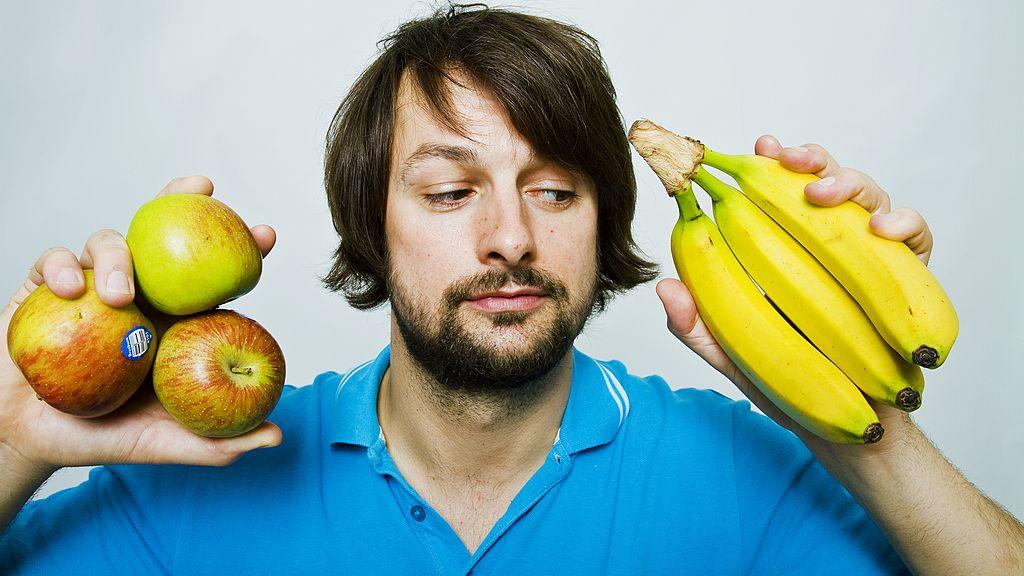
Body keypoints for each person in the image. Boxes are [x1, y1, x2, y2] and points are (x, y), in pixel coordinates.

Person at [1, 5, 1022, 575]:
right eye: (449, 191)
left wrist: (870, 424)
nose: (509, 238)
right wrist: (16, 445)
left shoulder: (754, 479)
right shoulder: (191, 484)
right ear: (371, 226)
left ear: (606, 222)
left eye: (555, 190)